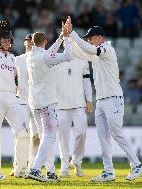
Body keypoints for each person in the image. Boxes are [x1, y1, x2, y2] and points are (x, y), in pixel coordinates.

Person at [64, 17, 142, 182]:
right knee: (103, 137)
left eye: (91, 38)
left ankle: (136, 164)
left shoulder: (107, 49)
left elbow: (88, 49)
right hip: (100, 100)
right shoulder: (95, 54)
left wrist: (73, 32)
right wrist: (66, 37)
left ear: (99, 37)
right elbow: (77, 52)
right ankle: (108, 171)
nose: (89, 41)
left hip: (113, 98)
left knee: (116, 133)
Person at [27, 23, 72, 182]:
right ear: (45, 41)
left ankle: (50, 171)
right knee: (50, 136)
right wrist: (66, 38)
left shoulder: (31, 56)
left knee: (46, 137)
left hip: (35, 103)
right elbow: (67, 56)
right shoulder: (45, 57)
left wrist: (60, 37)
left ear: (32, 42)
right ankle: (35, 169)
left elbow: (49, 54)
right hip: (47, 102)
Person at [0, 20, 30, 179]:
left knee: (23, 132)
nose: (7, 43)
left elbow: (20, 78)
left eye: (9, 41)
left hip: (13, 97)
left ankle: (20, 169)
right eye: (4, 40)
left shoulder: (14, 58)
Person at [54, 56, 93, 178]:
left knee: (81, 132)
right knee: (63, 138)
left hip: (79, 104)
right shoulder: (56, 59)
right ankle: (64, 166)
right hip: (61, 105)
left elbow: (87, 82)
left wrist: (89, 100)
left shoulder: (83, 60)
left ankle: (77, 160)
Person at [14, 34, 39, 174]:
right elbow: (11, 77)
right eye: (28, 41)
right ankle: (18, 165)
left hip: (35, 101)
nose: (30, 44)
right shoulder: (18, 60)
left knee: (35, 136)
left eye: (32, 42)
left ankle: (32, 166)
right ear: (24, 43)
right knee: (21, 133)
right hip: (22, 100)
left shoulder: (39, 59)